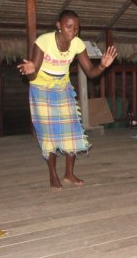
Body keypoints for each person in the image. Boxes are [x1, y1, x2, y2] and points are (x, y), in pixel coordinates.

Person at [17, 10, 117, 191]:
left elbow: (91, 73)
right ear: (59, 25)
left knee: (72, 129)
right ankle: (52, 174)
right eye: (69, 26)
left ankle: (69, 173)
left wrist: (102, 65)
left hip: (62, 87)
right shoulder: (44, 41)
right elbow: (32, 77)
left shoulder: (77, 44)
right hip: (41, 88)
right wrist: (31, 69)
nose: (73, 31)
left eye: (76, 28)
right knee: (49, 134)